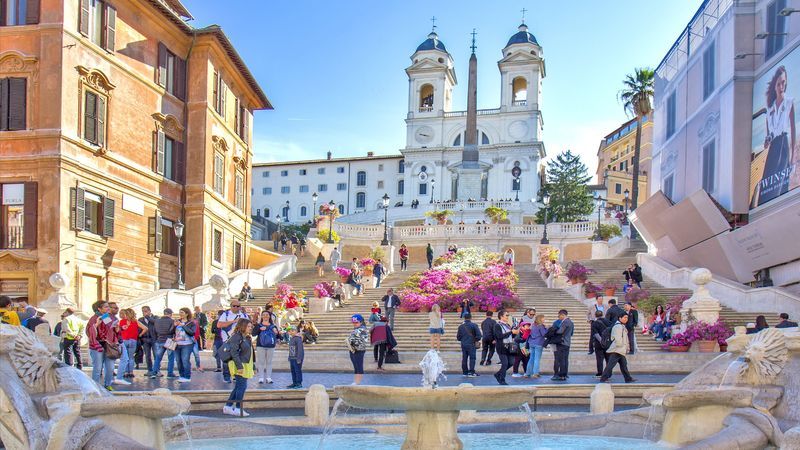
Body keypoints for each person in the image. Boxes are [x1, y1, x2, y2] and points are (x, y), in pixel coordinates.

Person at [753, 65, 795, 207]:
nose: (781, 86)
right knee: (767, 190)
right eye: (778, 84)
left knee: (781, 187)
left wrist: (792, 155)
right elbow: (768, 136)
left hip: (783, 145)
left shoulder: (789, 102)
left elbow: (793, 130)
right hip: (773, 148)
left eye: (783, 82)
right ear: (775, 86)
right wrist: (767, 141)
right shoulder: (770, 109)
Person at [86, 301, 122, 390]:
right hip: (97, 346)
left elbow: (110, 330)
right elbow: (89, 331)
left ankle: (108, 384)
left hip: (109, 345)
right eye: (106, 307)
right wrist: (97, 324)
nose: (108, 308)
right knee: (97, 368)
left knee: (110, 367)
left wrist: (117, 329)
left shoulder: (106, 317)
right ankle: (95, 386)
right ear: (99, 309)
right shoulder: (93, 318)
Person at [224, 318, 254, 417]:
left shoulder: (247, 337)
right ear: (243, 326)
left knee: (238, 386)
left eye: (251, 326)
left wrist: (253, 365)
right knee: (242, 386)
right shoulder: (236, 337)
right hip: (239, 364)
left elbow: (250, 353)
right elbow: (234, 353)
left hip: (245, 364)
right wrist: (239, 367)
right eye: (248, 326)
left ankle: (228, 406)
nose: (250, 328)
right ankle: (237, 408)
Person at [216, 301, 249, 382]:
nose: (236, 307)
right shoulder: (226, 314)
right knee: (227, 358)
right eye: (234, 306)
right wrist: (234, 321)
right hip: (228, 339)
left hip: (240, 340)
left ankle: (236, 375)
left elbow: (248, 326)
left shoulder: (244, 315)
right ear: (231, 306)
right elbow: (219, 325)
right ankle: (226, 376)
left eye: (238, 306)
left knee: (238, 357)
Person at [599, 313, 637, 383]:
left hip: (620, 349)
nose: (626, 319)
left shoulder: (621, 326)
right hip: (617, 349)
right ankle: (603, 378)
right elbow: (617, 338)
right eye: (624, 317)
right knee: (610, 365)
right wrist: (622, 346)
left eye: (627, 318)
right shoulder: (618, 326)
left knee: (623, 365)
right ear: (620, 318)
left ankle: (628, 378)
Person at [117, 309, 147, 381]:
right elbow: (145, 328)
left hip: (124, 340)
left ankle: (125, 372)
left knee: (124, 357)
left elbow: (117, 330)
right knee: (131, 357)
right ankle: (130, 372)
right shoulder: (136, 321)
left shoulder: (122, 321)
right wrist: (139, 335)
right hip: (133, 340)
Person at [493, 309, 519, 385]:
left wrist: (515, 332)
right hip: (502, 347)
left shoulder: (508, 325)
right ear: (501, 316)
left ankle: (498, 374)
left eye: (508, 315)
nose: (508, 317)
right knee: (504, 363)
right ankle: (502, 379)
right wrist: (511, 332)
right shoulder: (497, 325)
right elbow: (499, 336)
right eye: (506, 315)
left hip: (510, 346)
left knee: (511, 362)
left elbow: (511, 335)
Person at [173, 308, 196, 383]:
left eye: (182, 312)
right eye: (180, 312)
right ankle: (181, 376)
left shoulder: (191, 323)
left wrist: (183, 326)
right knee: (178, 361)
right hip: (177, 344)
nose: (180, 314)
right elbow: (171, 332)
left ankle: (187, 376)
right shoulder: (177, 322)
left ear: (187, 314)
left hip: (187, 344)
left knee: (185, 360)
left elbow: (192, 332)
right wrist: (174, 326)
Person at [151, 308, 176, 379]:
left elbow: (154, 331)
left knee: (158, 358)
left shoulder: (157, 321)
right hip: (169, 340)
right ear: (170, 314)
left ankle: (154, 372)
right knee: (171, 358)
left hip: (159, 340)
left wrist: (156, 339)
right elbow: (173, 331)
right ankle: (170, 373)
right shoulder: (172, 321)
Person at [255, 311, 279, 384]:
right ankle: (261, 378)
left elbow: (278, 336)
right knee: (261, 362)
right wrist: (259, 329)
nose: (265, 316)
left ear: (269, 316)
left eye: (267, 315)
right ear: (261, 316)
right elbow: (253, 333)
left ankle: (268, 377)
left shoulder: (273, 326)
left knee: (269, 362)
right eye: (264, 315)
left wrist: (277, 332)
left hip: (271, 346)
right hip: (260, 345)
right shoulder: (258, 325)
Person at [456, 313, 482, 377]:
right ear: (471, 318)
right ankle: (472, 372)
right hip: (472, 344)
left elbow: (458, 337)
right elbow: (479, 336)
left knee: (464, 358)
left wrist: (463, 340)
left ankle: (465, 372)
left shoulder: (461, 326)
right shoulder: (474, 325)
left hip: (463, 344)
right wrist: (475, 340)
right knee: (472, 358)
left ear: (464, 318)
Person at [347, 315, 370, 384]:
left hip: (359, 350)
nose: (354, 324)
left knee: (359, 367)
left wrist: (352, 341)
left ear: (361, 322)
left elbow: (364, 340)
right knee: (356, 367)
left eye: (356, 322)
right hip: (353, 350)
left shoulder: (363, 330)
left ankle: (357, 382)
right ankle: (356, 382)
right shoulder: (356, 329)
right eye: (353, 322)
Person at [552, 309, 573, 381]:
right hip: (567, 343)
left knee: (561, 359)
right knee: (565, 359)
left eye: (559, 316)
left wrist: (554, 331)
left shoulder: (565, 322)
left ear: (563, 315)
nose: (559, 317)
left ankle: (561, 375)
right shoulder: (571, 322)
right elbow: (571, 333)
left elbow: (560, 331)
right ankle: (565, 374)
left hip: (562, 343)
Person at [591, 311, 612, 377]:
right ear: (603, 314)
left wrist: (601, 341)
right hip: (608, 343)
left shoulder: (594, 323)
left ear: (595, 315)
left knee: (599, 359)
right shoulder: (608, 322)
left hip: (598, 344)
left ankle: (600, 373)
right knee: (608, 359)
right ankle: (609, 373)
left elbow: (596, 334)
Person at [138, 306, 157, 376]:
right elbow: (139, 329)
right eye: (143, 311)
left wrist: (149, 318)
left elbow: (156, 323)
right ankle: (150, 370)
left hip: (154, 339)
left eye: (146, 311)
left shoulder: (155, 318)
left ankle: (156, 370)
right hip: (145, 339)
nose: (144, 313)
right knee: (147, 356)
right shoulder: (140, 319)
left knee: (156, 355)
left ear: (149, 311)